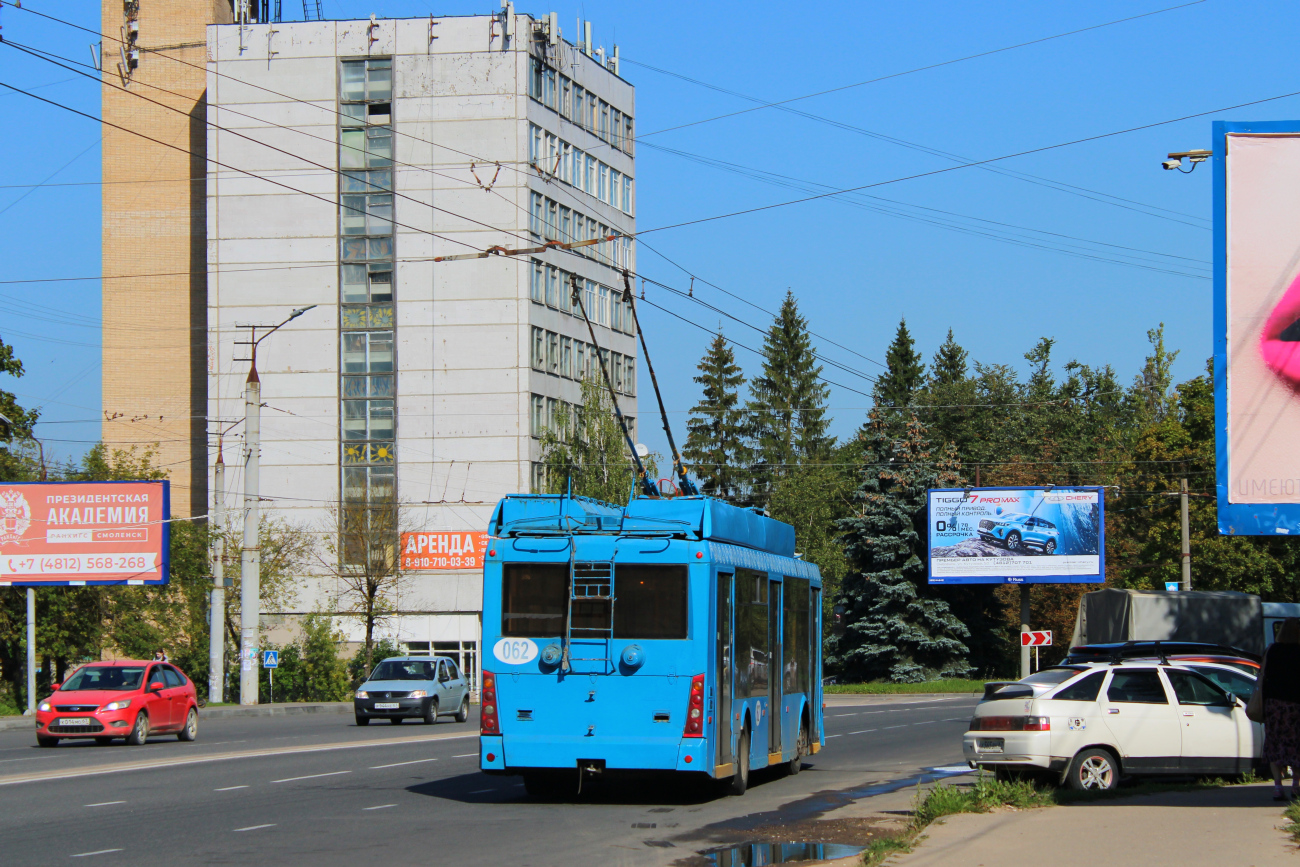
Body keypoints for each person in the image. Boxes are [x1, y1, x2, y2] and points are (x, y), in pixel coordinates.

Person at [1262, 617, 1300, 800]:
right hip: (1295, 705)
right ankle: (1295, 785)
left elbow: (1264, 677)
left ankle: (1277, 786)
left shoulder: (1272, 650)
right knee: (1296, 745)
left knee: (1275, 744)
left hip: (1274, 705)